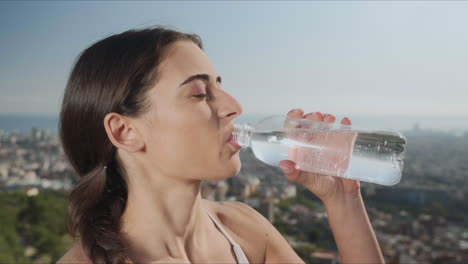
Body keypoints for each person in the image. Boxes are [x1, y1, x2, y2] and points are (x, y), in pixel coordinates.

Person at [57, 26, 385, 264]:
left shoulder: (245, 228)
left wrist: (343, 200)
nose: (234, 106)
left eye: (220, 85)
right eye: (200, 93)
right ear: (125, 131)